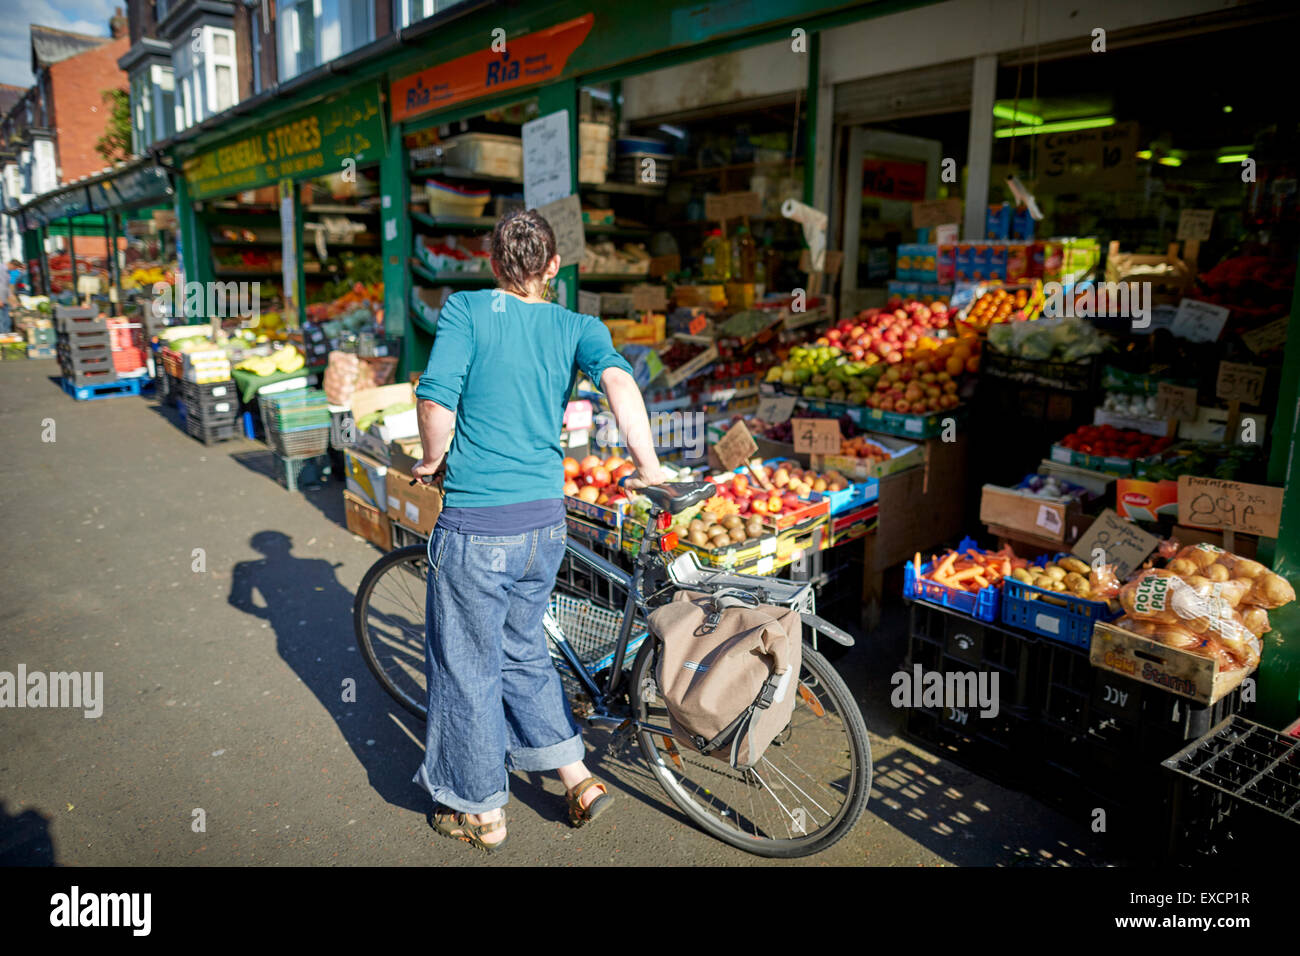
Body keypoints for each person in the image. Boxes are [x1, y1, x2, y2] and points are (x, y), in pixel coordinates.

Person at [409, 209, 666, 852]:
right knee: (523, 649)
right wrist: (649, 465)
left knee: (468, 666)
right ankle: (578, 778)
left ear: (494, 263)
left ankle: (481, 812)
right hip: (544, 526)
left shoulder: (466, 310)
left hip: (478, 522)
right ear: (553, 267)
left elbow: (437, 396)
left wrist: (432, 457)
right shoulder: (578, 325)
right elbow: (618, 380)